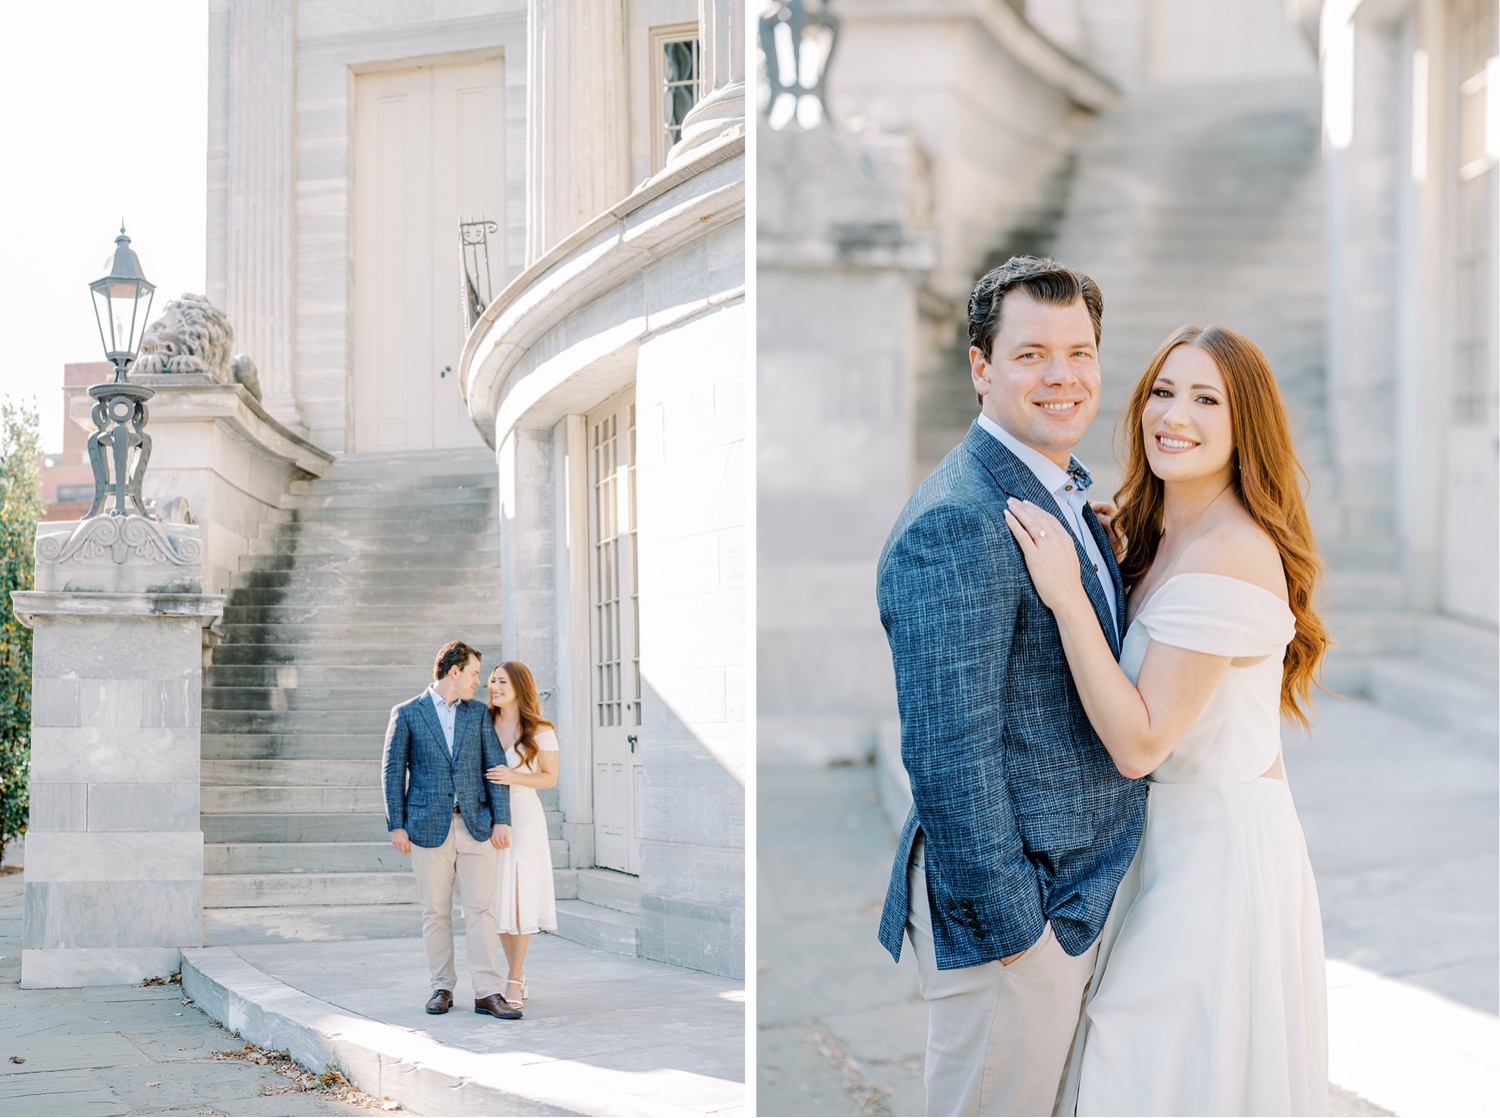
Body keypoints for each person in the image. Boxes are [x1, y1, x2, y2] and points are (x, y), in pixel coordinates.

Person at [1003, 323, 1330, 1114]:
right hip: (1165, 844)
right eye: (1162, 391)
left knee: (1142, 1065)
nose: (1172, 416)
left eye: (1205, 399)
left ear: (1243, 423)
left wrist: (1067, 595)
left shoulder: (1232, 552)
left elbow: (1140, 741)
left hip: (1217, 858)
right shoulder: (1161, 534)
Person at [876, 255, 1147, 1116]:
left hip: (1070, 887)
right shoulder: (960, 521)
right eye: (1032, 354)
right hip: (1015, 921)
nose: (1062, 376)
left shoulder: (1057, 489)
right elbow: (947, 756)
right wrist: (1016, 935)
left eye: (1080, 352)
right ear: (982, 368)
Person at [381, 640, 520, 1021]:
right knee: (436, 912)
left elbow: (495, 768)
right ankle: (442, 986)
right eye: (475, 673)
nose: (480, 681)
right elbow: (393, 773)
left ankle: (488, 992)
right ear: (454, 671)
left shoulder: (477, 715)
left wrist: (502, 819)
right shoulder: (408, 713)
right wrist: (397, 825)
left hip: (477, 825)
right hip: (426, 827)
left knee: (481, 911)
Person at [483, 660, 560, 1009]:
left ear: (518, 686)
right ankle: (516, 971)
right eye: (491, 681)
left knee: (521, 896)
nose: (494, 687)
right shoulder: (483, 723)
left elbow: (549, 777)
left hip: (525, 816)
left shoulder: (540, 729)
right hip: (490, 818)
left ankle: (514, 977)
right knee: (496, 898)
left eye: (501, 682)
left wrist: (515, 778)